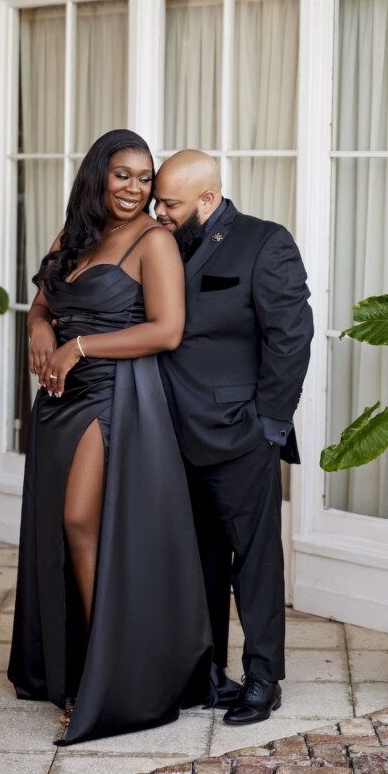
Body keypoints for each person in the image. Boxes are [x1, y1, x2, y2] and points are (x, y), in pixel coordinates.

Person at [7, 130, 212, 745]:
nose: (134, 188)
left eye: (144, 178)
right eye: (122, 175)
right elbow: (46, 303)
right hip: (59, 402)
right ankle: (74, 667)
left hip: (116, 396)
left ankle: (112, 678)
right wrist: (41, 328)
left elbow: (167, 330)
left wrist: (79, 344)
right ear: (98, 175)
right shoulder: (72, 237)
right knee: (59, 533)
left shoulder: (155, 241)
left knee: (80, 523)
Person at [154, 150, 314, 726]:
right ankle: (204, 673)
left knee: (255, 562)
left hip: (241, 435)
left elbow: (291, 336)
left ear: (207, 199)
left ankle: (263, 678)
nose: (160, 211)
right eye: (158, 202)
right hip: (168, 435)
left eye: (170, 203)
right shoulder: (159, 240)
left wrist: (268, 426)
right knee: (193, 561)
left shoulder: (265, 242)